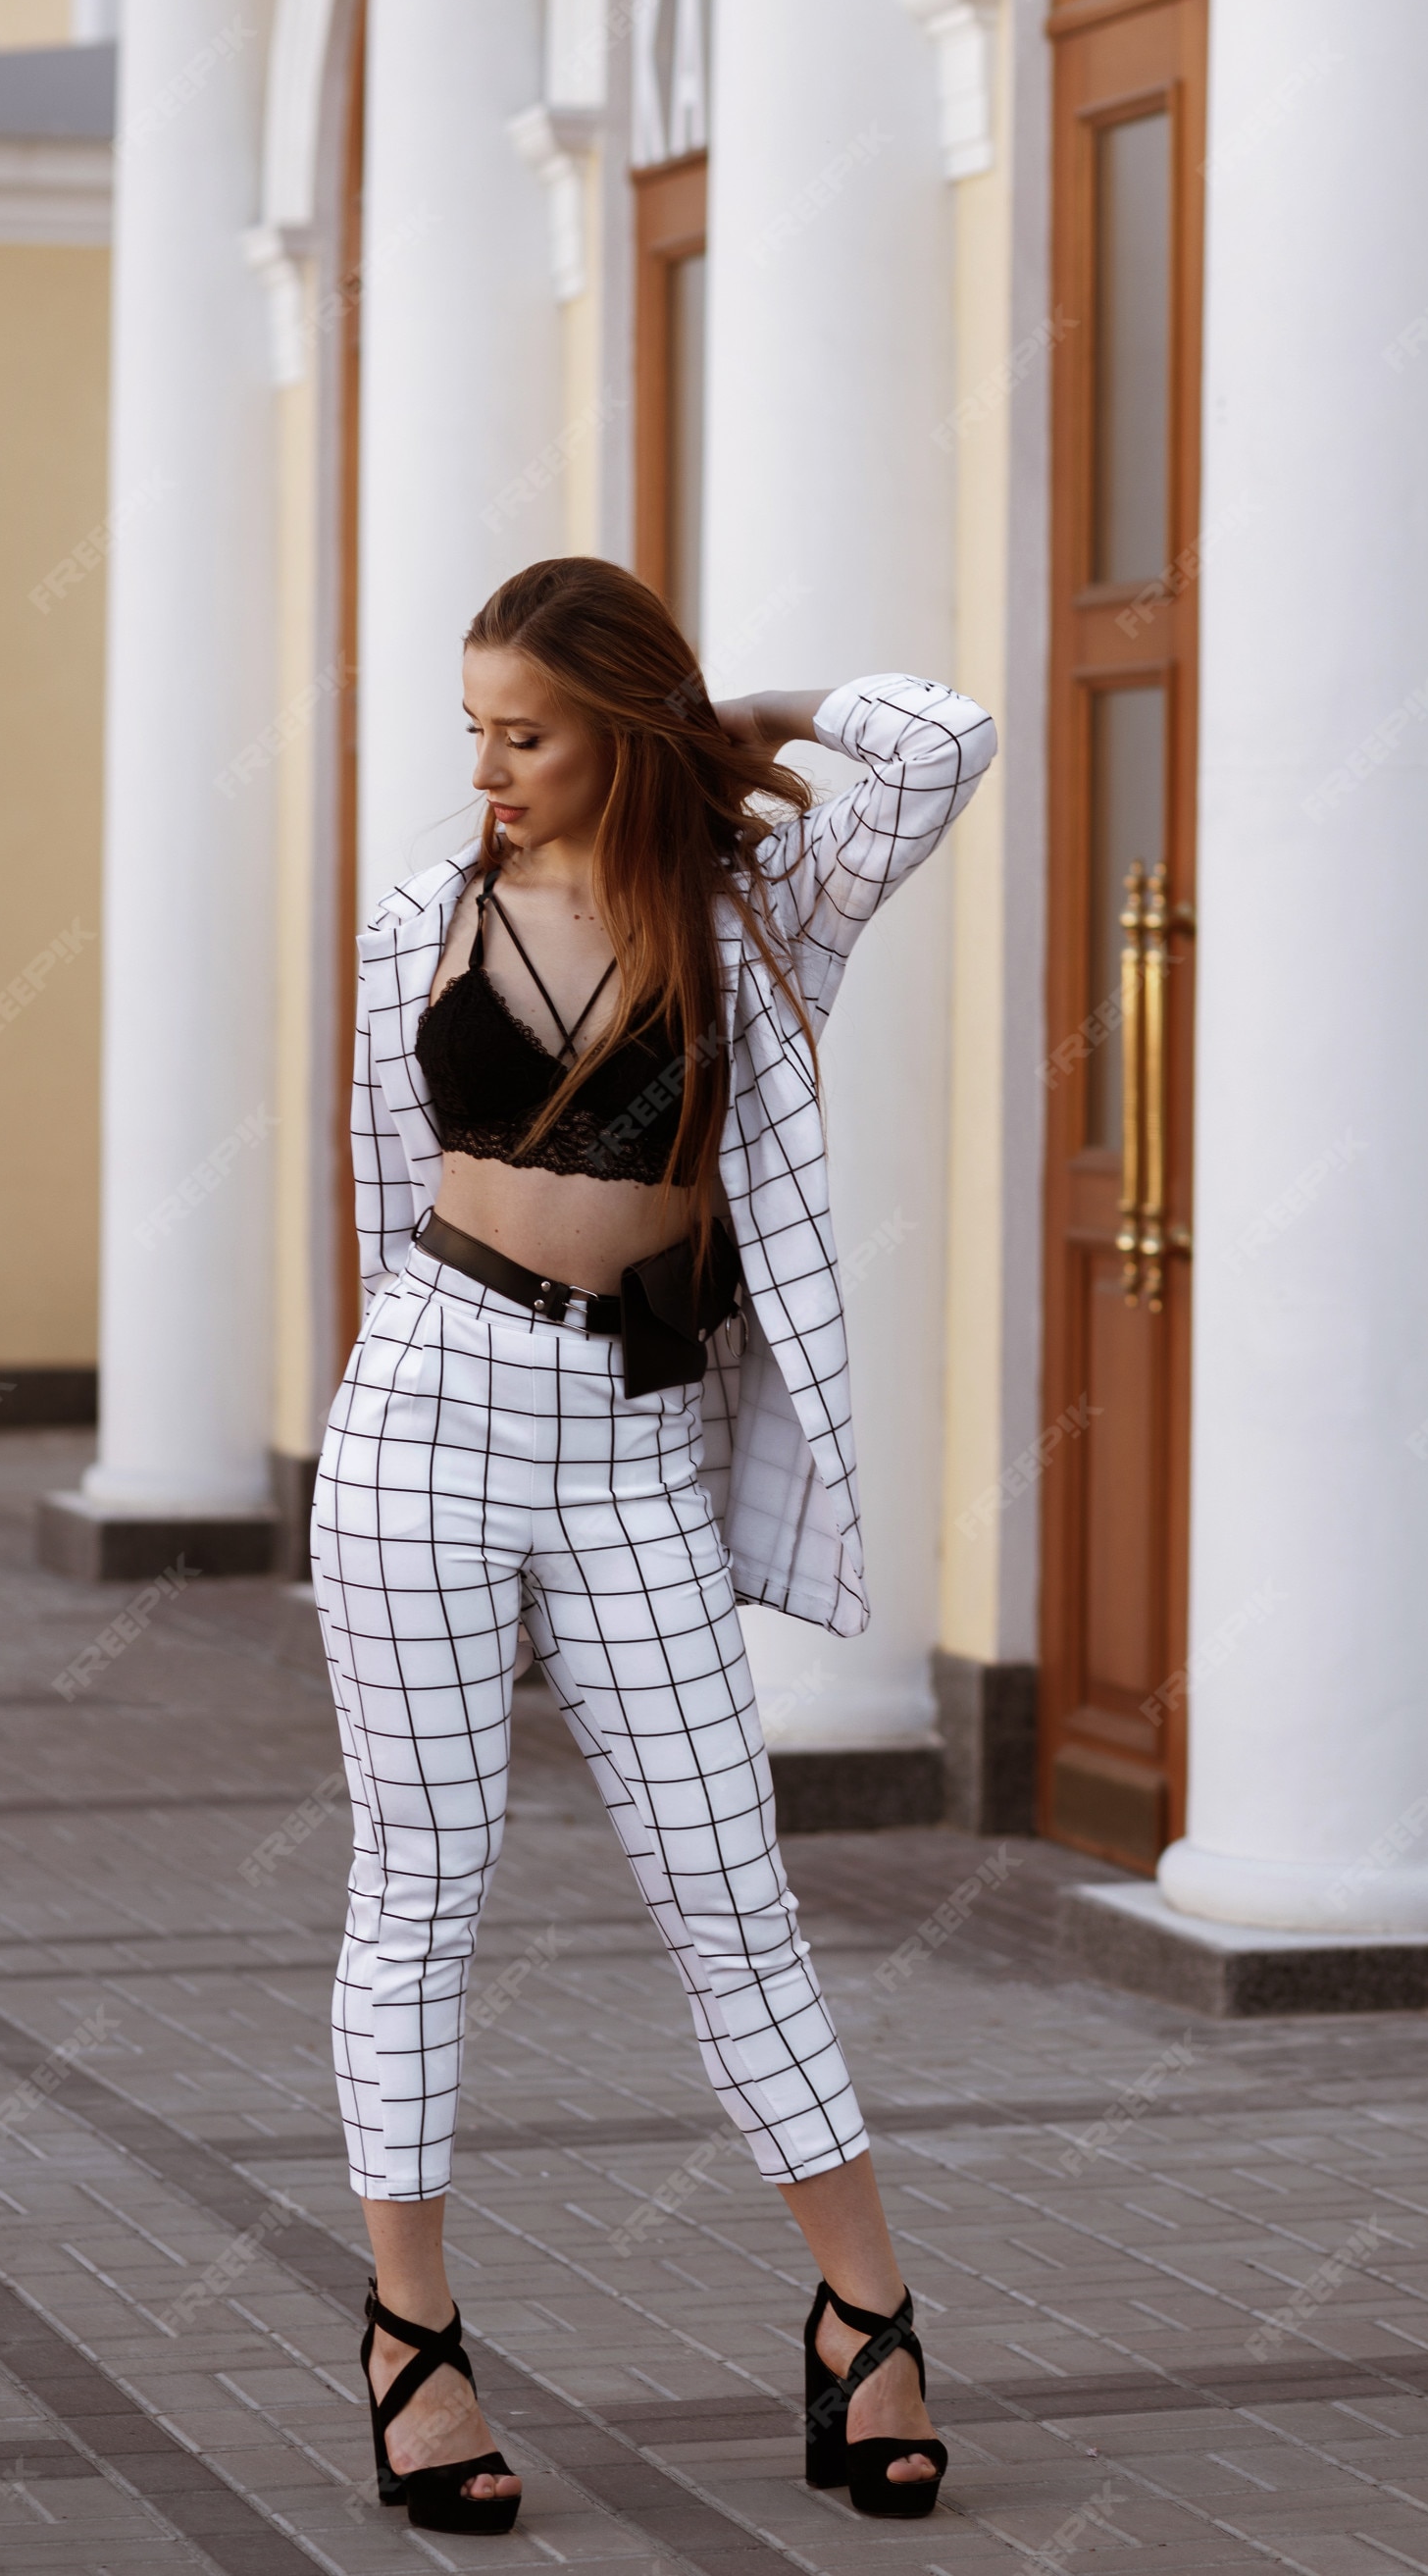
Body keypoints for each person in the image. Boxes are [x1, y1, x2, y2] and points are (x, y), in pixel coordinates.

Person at [310, 556, 996, 2534]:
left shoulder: (754, 915)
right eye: (475, 733)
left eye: (526, 730)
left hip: (630, 1442)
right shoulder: (414, 922)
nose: (489, 768)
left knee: (731, 1887)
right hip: (428, 1410)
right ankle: (414, 2344)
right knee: (422, 1879)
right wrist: (379, 1427)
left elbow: (940, 743)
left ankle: (863, 2318)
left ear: (619, 728)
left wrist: (749, 723)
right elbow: (379, 1190)